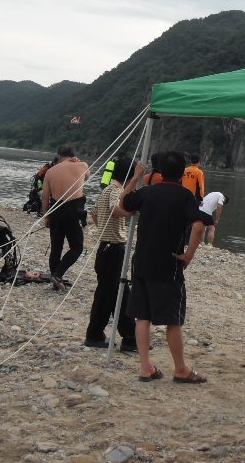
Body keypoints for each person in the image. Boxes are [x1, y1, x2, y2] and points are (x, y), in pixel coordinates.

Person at [120, 150, 207, 384]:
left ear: (159, 170)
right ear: (182, 173)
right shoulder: (185, 195)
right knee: (172, 319)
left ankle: (146, 367)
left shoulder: (147, 191)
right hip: (168, 265)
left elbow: (124, 202)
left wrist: (136, 176)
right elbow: (199, 227)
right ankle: (181, 369)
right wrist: (188, 255)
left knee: (143, 316)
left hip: (142, 261)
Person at [85, 157, 138, 352]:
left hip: (108, 246)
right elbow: (115, 209)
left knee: (120, 292)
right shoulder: (116, 190)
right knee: (108, 293)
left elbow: (94, 212)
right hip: (112, 248)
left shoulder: (108, 188)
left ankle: (130, 338)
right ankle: (94, 335)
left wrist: (104, 231)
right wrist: (128, 213)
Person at [41, 145, 91, 289]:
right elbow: (87, 177)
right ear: (74, 155)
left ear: (60, 156)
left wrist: (46, 215)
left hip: (55, 211)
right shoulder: (82, 166)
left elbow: (45, 197)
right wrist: (78, 162)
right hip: (72, 212)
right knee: (77, 246)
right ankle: (58, 274)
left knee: (56, 248)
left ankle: (55, 280)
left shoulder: (50, 171)